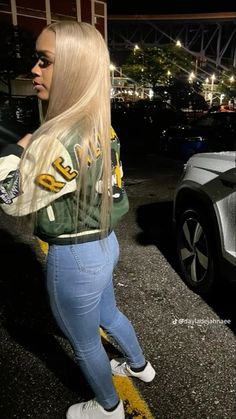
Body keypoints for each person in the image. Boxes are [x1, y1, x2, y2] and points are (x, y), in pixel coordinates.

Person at [0, 21, 155, 419]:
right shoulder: (101, 122)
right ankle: (141, 367)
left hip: (74, 256)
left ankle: (108, 408)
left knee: (84, 342)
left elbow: (11, 200)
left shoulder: (56, 137)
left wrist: (15, 151)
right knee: (109, 315)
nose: (34, 69)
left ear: (72, 68)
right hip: (106, 242)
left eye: (45, 61)